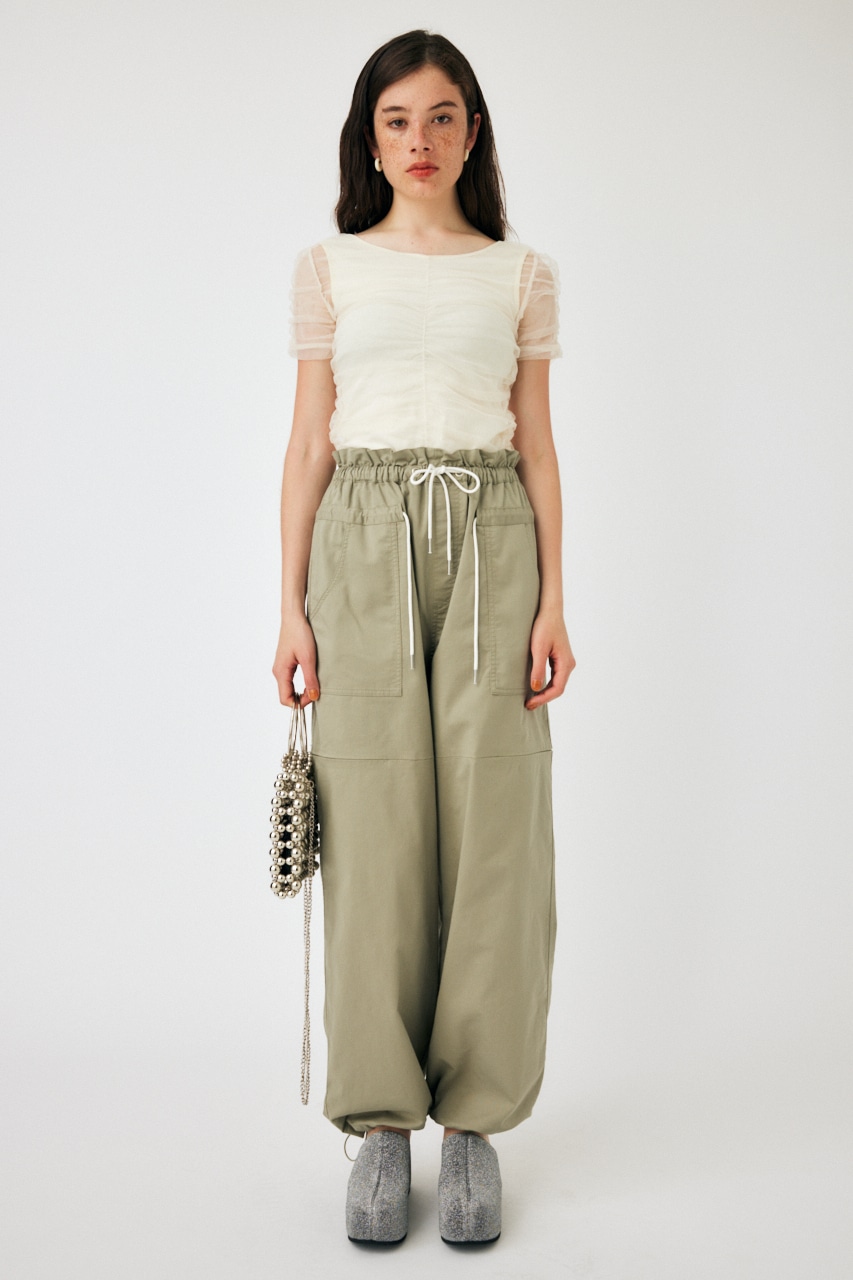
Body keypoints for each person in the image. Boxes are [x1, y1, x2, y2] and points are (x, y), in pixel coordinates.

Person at [273, 29, 576, 1246]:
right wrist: (287, 604)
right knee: (375, 823)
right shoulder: (328, 268)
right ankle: (382, 1122)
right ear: (368, 137)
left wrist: (555, 601)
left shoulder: (521, 272)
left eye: (441, 117)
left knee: (496, 825)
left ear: (472, 132)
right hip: (358, 537)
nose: (419, 141)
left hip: (492, 532)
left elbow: (538, 443)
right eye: (395, 120)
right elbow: (309, 441)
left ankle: (476, 1123)